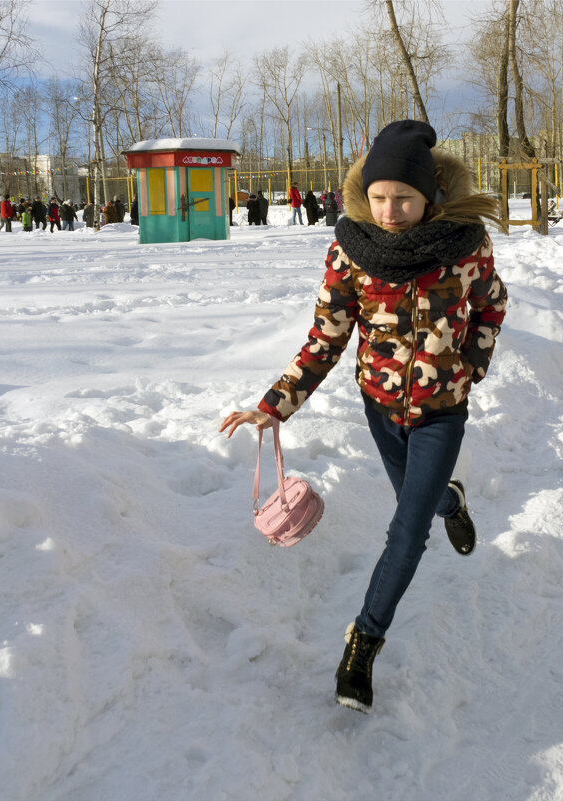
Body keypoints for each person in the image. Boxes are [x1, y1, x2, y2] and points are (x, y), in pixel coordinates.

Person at [219, 120, 507, 713]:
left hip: (442, 410)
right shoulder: (352, 249)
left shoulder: (465, 244)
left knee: (407, 532)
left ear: (428, 195)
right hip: (380, 406)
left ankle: (363, 641)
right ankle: (450, 500)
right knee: (421, 503)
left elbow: (491, 304)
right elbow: (326, 337)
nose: (390, 209)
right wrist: (276, 404)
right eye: (379, 196)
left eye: (403, 196)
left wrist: (470, 365)